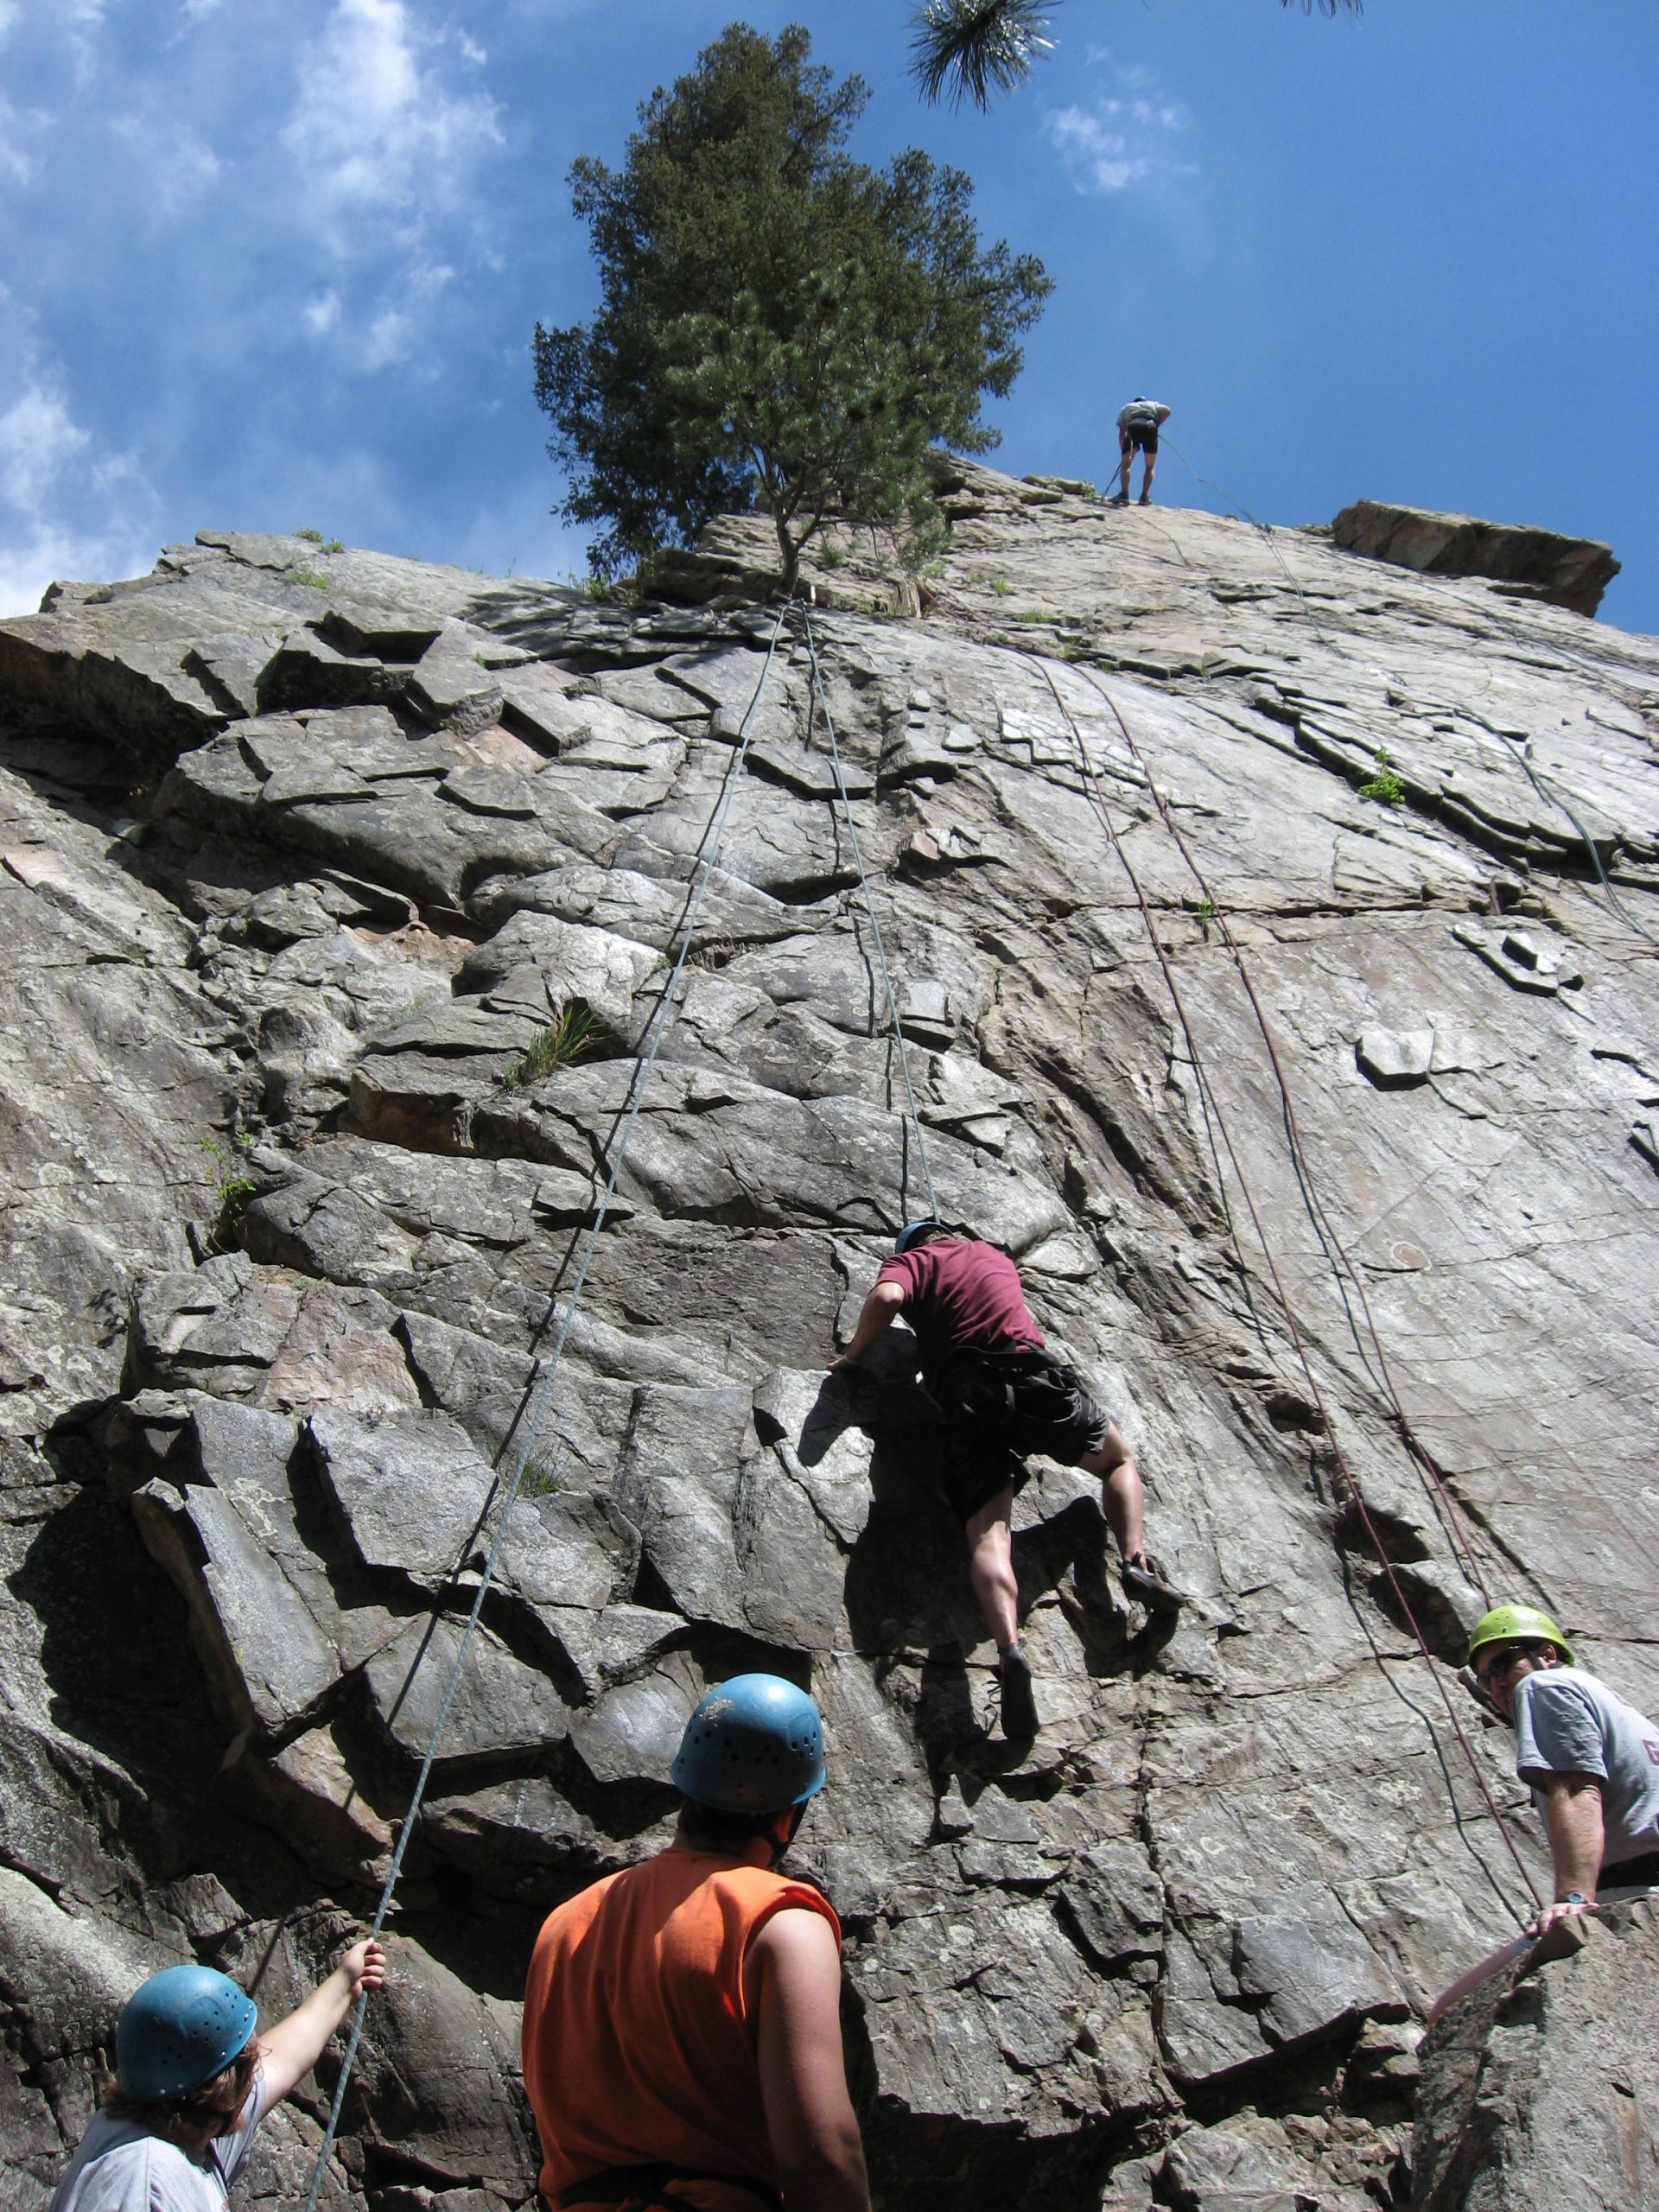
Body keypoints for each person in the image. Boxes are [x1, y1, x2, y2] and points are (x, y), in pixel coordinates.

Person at [522, 1673, 870, 2212]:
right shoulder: (778, 1922)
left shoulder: (564, 1926)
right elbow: (822, 2161)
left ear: (687, 1783)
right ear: (787, 1814)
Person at [830, 1220, 1185, 1737]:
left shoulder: (913, 1262)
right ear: (947, 1232)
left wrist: (855, 1354)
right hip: (1031, 1378)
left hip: (969, 1400)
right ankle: (1134, 1563)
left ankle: (1010, 1650)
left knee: (988, 1537)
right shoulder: (991, 1254)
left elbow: (886, 1296)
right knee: (1118, 1462)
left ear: (910, 1248)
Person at [1427, 1604, 1659, 2023]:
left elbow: (1574, 1788)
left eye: (1503, 1663)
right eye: (1485, 1677)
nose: (1497, 1684)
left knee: (1448, 2012)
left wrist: (1574, 1899)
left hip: (1637, 1888)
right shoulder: (1609, 1703)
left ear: (1545, 1654)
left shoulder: (1545, 1687)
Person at [49, 1940, 386, 2212]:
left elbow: (284, 2059)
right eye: (249, 2065)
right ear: (222, 2090)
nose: (256, 2075)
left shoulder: (170, 2120)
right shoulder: (142, 2179)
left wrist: (345, 1980)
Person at [1111, 397, 1171, 506]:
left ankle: (1124, 494)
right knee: (1149, 467)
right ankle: (1144, 496)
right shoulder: (1152, 404)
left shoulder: (1127, 407)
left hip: (1133, 428)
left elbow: (1121, 433)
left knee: (1126, 465)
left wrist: (1125, 452)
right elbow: (1167, 410)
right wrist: (1157, 424)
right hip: (1150, 427)